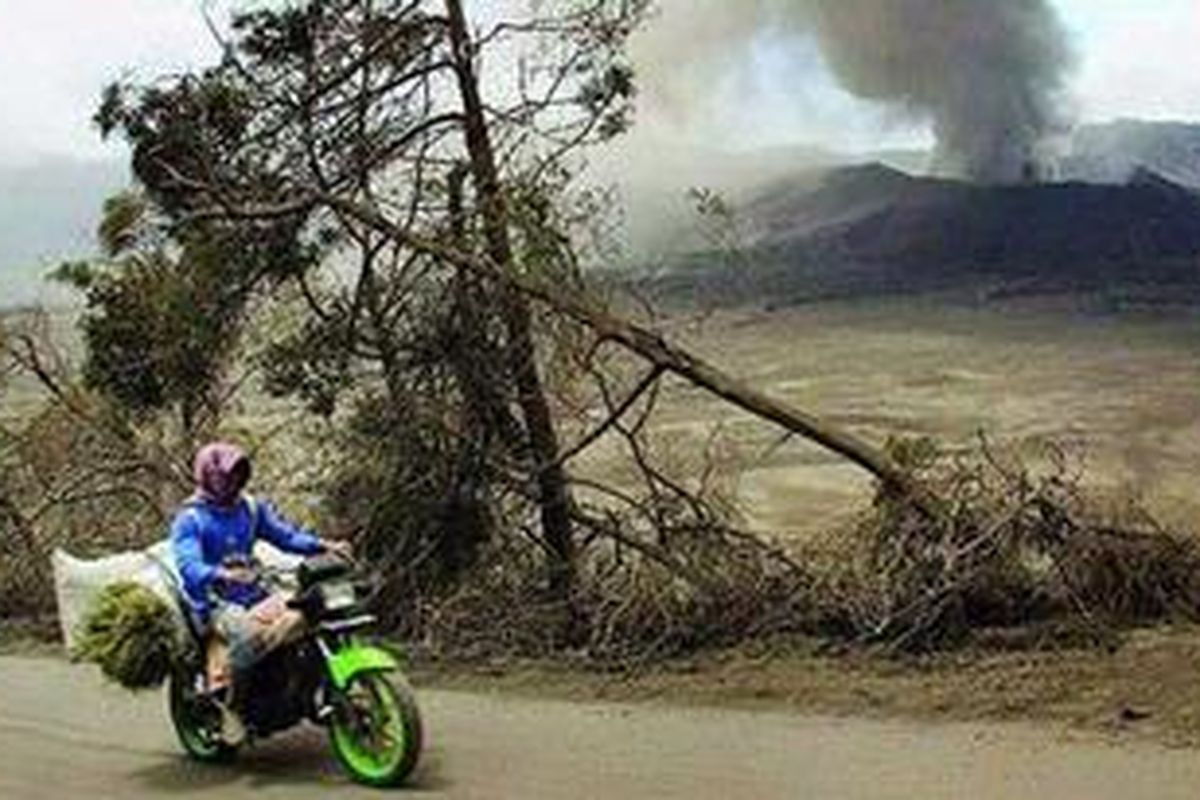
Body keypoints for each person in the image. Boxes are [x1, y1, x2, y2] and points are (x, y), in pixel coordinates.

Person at [171, 441, 350, 744]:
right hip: (214, 602)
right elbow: (188, 566)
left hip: (255, 592)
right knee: (248, 636)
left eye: (238, 473)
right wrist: (220, 573)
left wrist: (323, 545)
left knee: (311, 612)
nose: (233, 481)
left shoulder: (251, 508)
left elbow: (286, 536)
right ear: (207, 477)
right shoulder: (191, 519)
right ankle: (233, 708)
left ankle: (308, 688)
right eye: (225, 475)